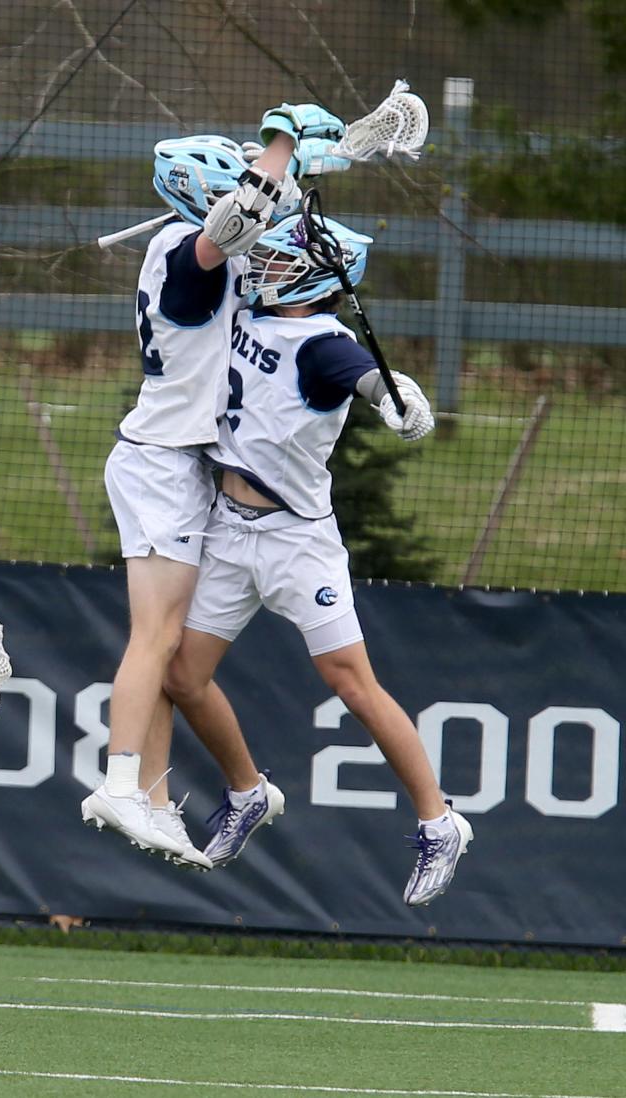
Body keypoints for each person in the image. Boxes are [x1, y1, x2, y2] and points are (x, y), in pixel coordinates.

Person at [163, 210, 473, 905]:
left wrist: (401, 402)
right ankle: (249, 792)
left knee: (352, 684)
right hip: (228, 531)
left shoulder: (326, 343)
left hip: (295, 541)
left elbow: (368, 381)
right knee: (183, 676)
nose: (262, 266)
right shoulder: (246, 307)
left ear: (314, 277)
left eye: (278, 260)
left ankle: (439, 820)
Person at [81, 105, 351, 869]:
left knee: (172, 654)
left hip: (182, 464)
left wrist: (309, 161)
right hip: (163, 462)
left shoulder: (202, 249)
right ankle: (121, 780)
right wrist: (283, 142)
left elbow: (278, 215)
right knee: (156, 637)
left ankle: (160, 801)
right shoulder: (187, 253)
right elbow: (247, 212)